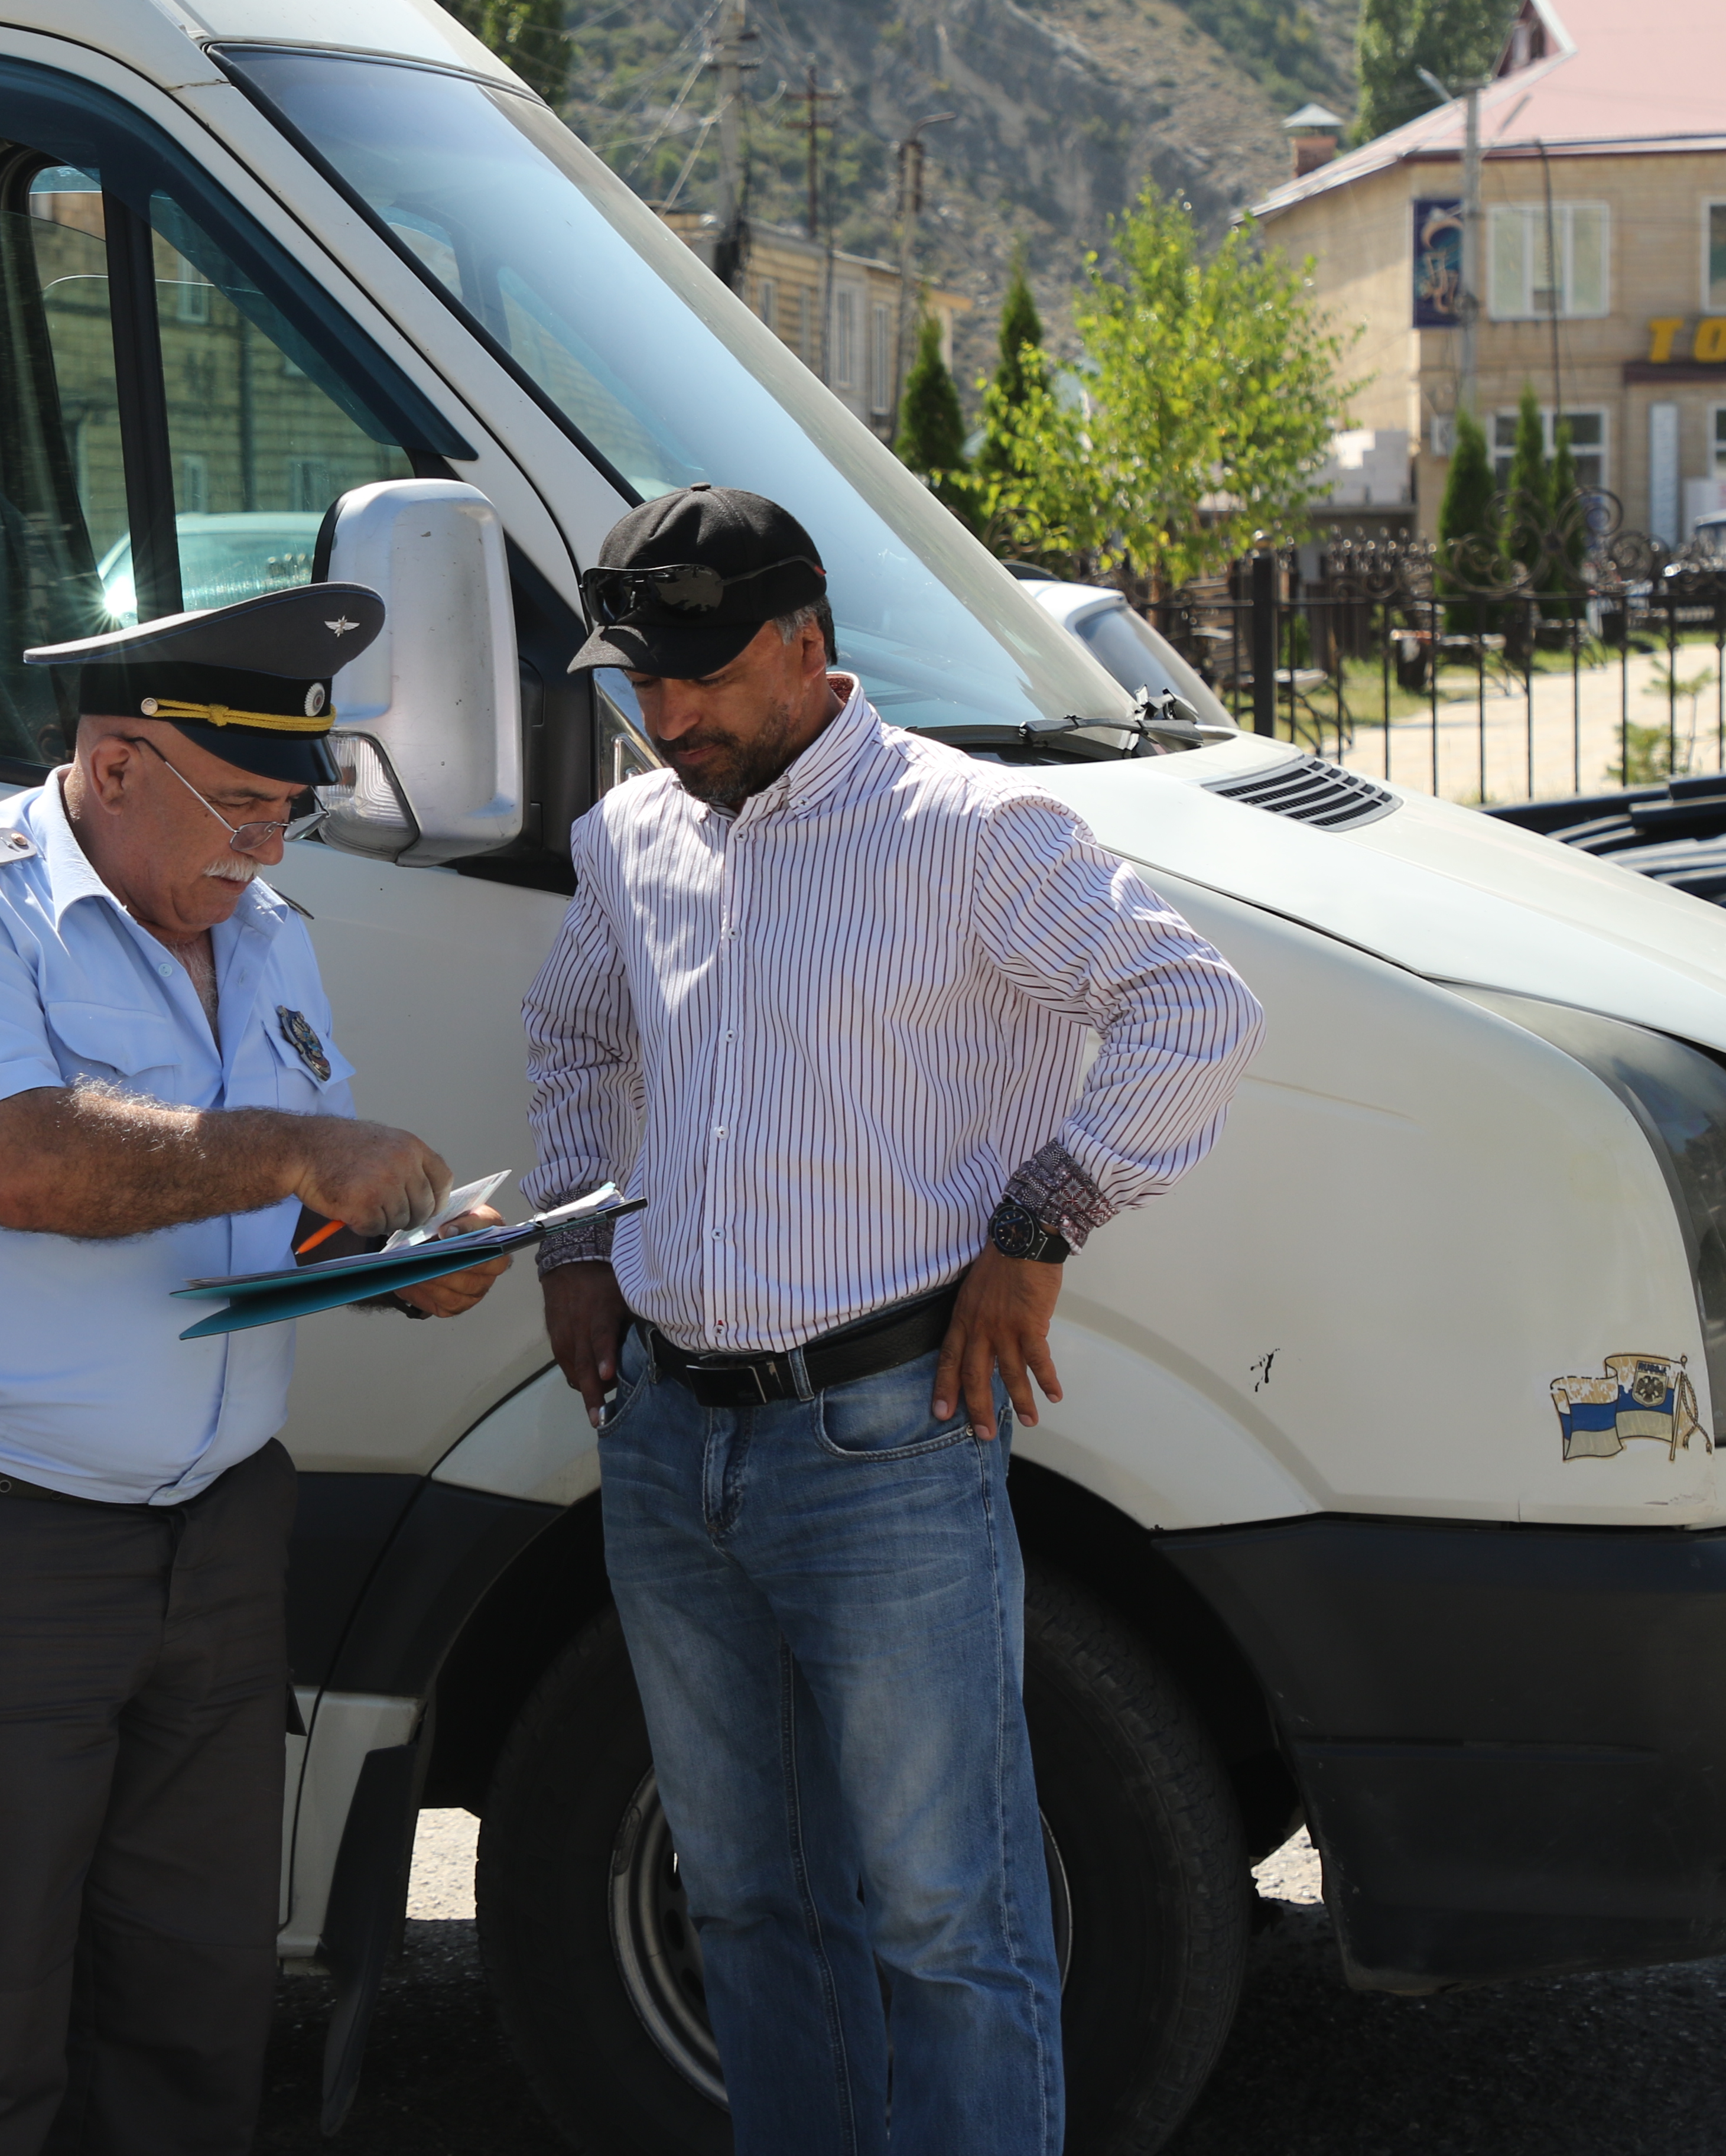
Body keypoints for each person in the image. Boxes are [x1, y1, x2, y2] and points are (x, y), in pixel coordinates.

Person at [522, 486, 1263, 2155]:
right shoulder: (637, 837)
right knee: (746, 1904)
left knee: (946, 1920)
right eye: (642, 677)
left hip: (886, 1443)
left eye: (702, 674)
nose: (667, 715)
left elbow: (1196, 1007)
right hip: (665, 1440)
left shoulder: (969, 831)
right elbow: (574, 1035)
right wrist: (576, 1248)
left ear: (807, 646)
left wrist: (1041, 1221)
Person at [0, 583, 510, 2155]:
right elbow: (24, 1168)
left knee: (191, 2035)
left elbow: (252, 1237)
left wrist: (397, 1266)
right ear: (116, 766)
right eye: (243, 810)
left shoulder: (261, 937)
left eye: (287, 819)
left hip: (215, 1546)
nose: (263, 854)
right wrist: (297, 1150)